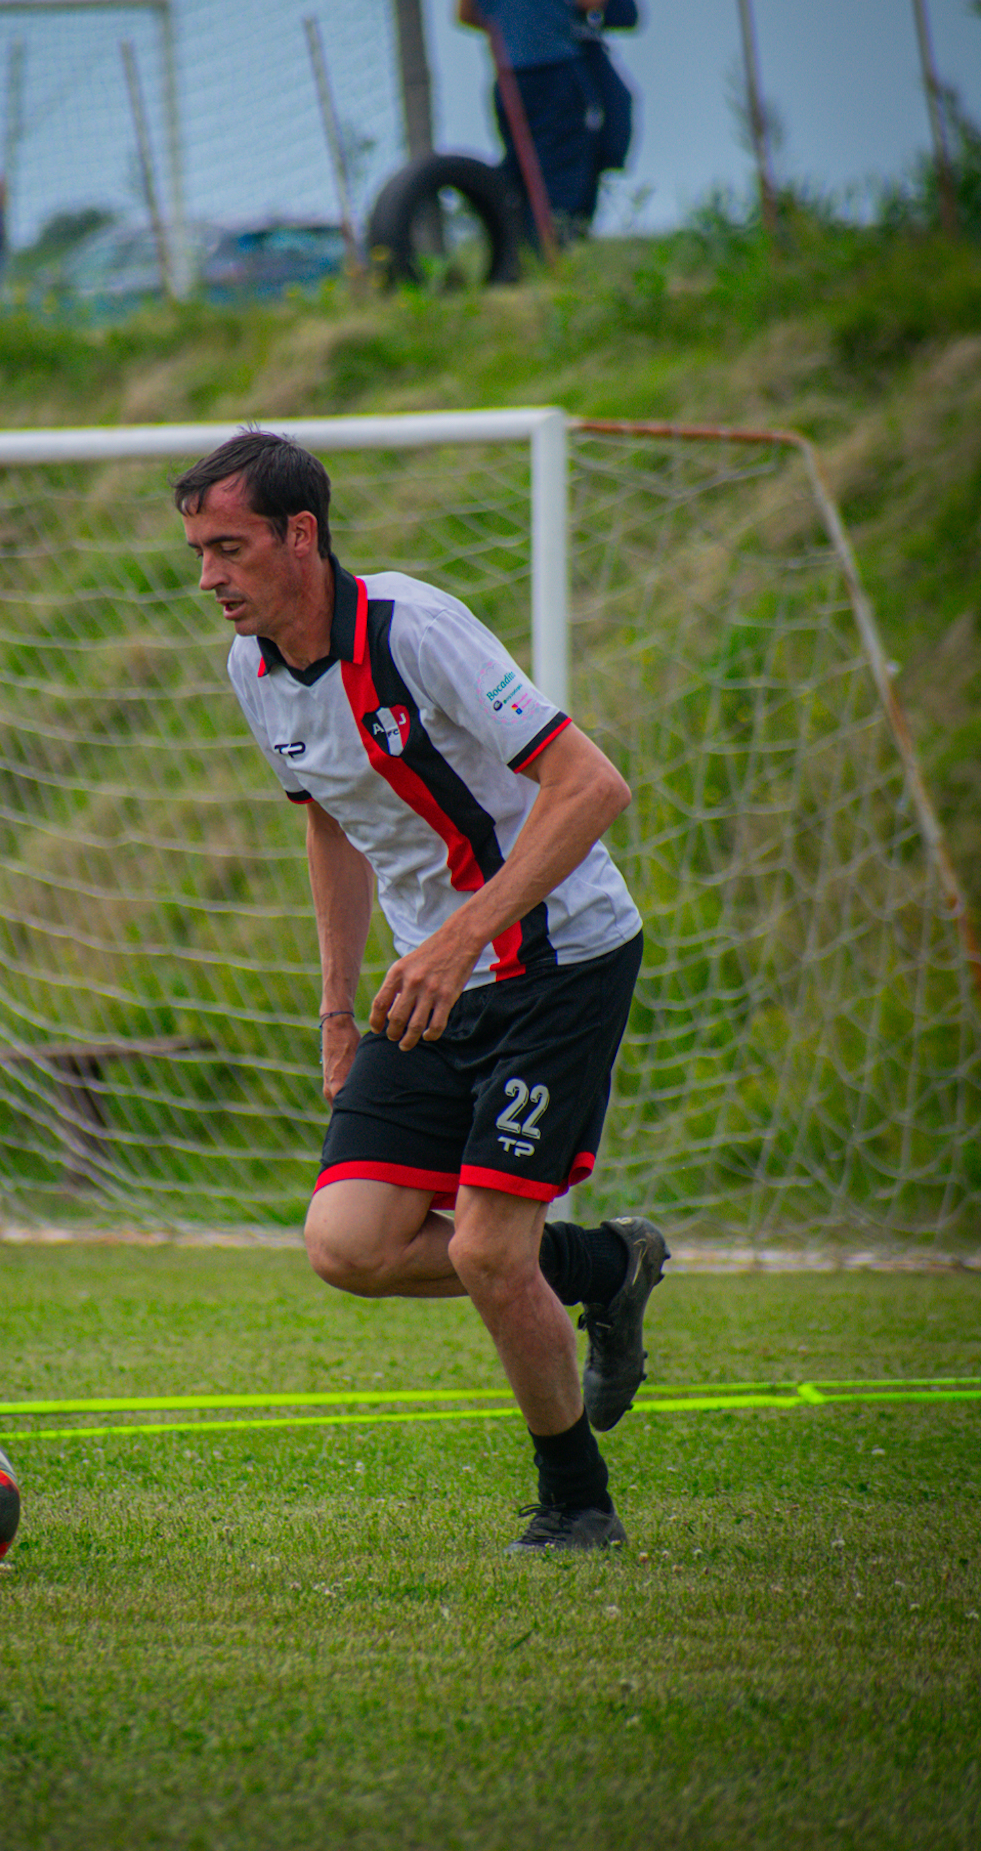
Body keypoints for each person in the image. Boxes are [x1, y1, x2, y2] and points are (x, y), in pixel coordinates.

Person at [173, 432, 668, 1554]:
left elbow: (592, 785)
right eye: (199, 552)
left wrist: (459, 938)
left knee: (487, 1250)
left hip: (558, 962)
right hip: (430, 978)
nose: (208, 577)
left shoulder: (413, 628)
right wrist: (336, 1010)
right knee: (347, 1244)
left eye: (229, 548)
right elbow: (329, 825)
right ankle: (605, 1264)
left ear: (302, 534)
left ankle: (577, 1504)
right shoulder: (254, 669)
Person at [457, 0, 614, 243]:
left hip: (507, 77)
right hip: (554, 65)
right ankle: (555, 251)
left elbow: (464, 12)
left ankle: (515, 251)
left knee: (521, 169)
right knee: (563, 166)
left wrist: (506, 22)